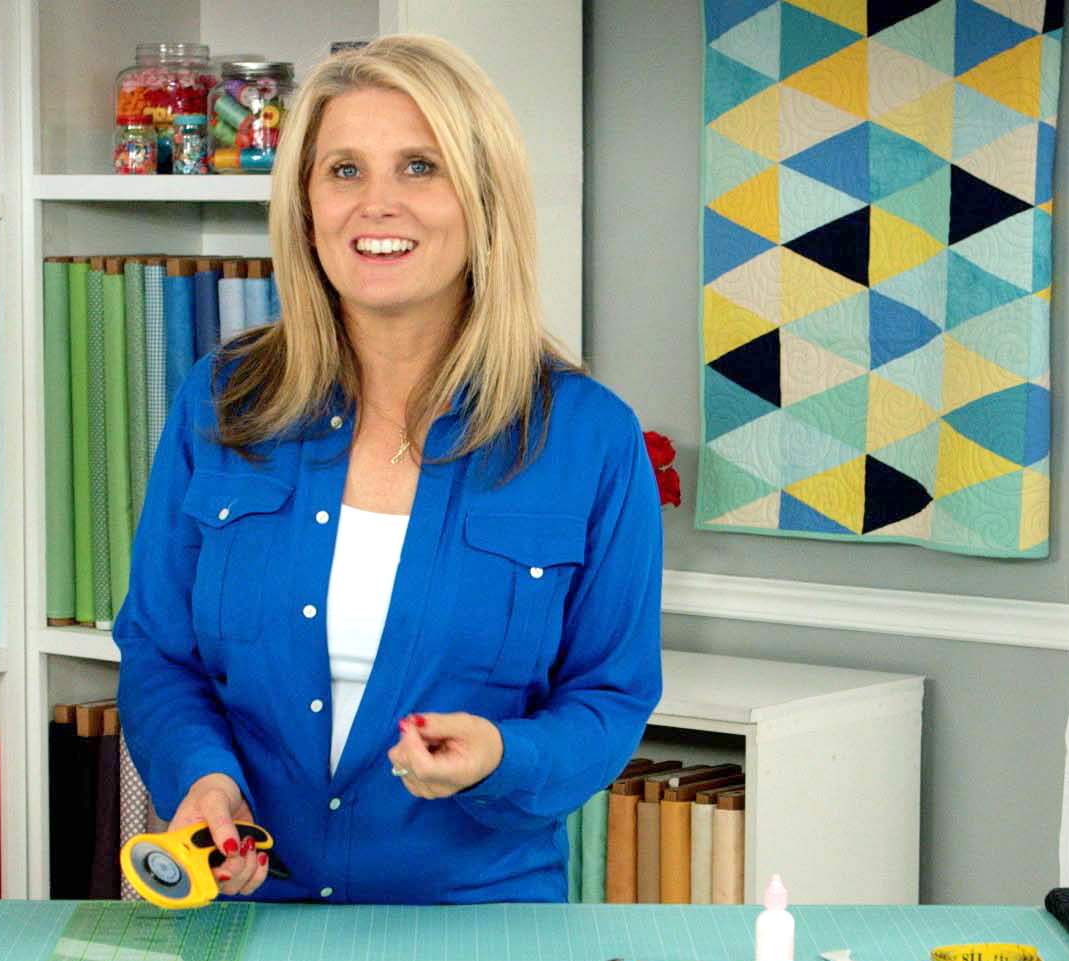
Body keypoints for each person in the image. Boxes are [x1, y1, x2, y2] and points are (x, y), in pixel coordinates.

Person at [114, 34, 662, 904]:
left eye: (419, 167)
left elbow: (610, 695)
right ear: (305, 205)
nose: (377, 204)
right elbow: (158, 652)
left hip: (475, 925)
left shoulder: (590, 436)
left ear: (484, 201)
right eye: (344, 171)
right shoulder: (221, 401)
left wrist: (504, 756)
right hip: (245, 909)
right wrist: (202, 779)